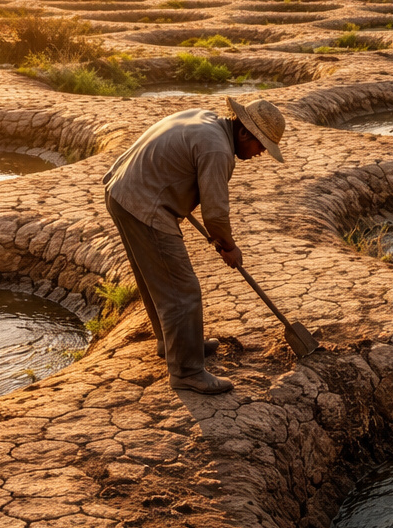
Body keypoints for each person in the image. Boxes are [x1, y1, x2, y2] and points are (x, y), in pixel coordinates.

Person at [102, 96, 286, 395]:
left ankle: (172, 342)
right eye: (261, 145)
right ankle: (187, 371)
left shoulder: (205, 119)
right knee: (182, 289)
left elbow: (176, 166)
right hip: (143, 204)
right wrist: (229, 246)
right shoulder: (218, 149)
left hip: (122, 192)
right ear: (243, 133)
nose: (261, 153)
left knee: (156, 279)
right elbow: (215, 214)